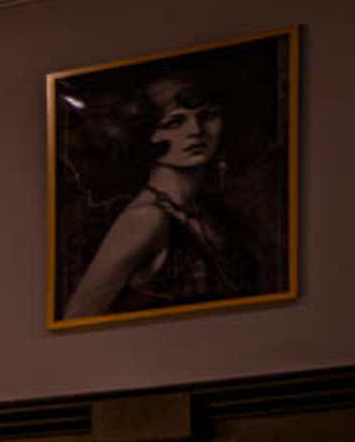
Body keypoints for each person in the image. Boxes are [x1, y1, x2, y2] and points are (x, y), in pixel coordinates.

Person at [63, 69, 264, 320]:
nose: (196, 130)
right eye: (175, 122)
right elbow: (78, 315)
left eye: (208, 116)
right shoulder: (147, 218)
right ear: (147, 133)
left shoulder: (208, 210)